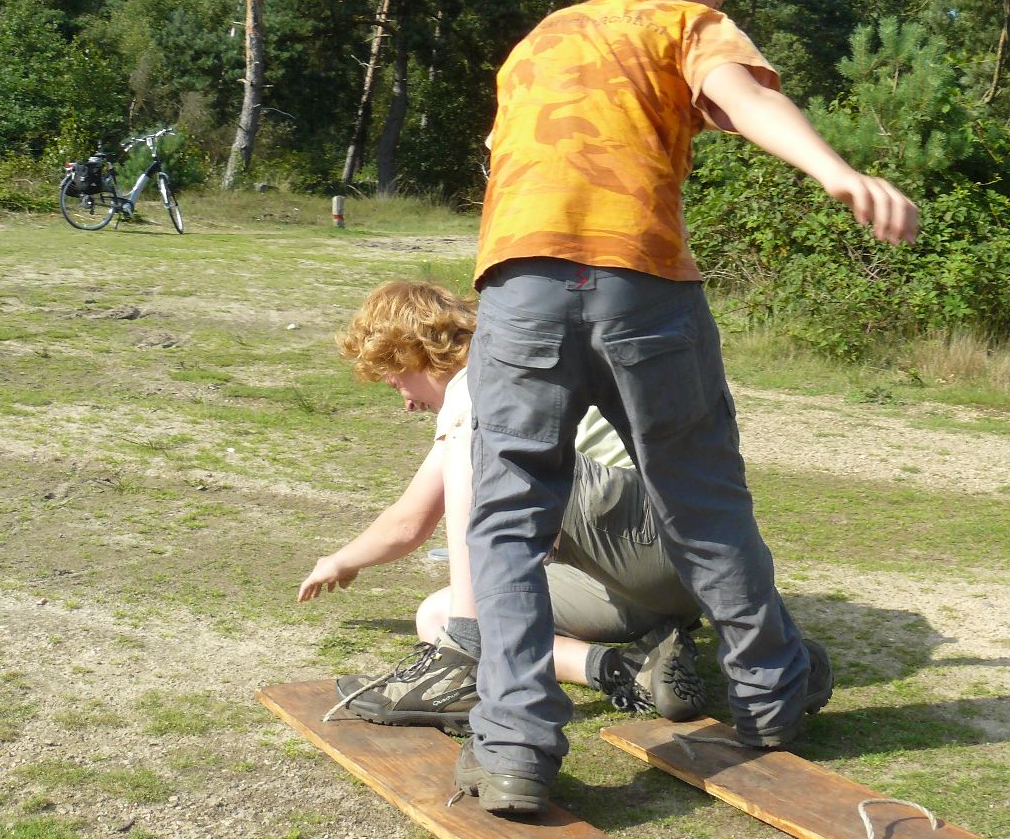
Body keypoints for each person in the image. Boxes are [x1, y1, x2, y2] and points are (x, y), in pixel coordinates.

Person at [458, 0, 920, 814]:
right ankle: (771, 695)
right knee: (700, 496)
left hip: (518, 288)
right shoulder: (684, 22)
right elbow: (743, 99)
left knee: (507, 517)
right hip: (642, 285)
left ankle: (513, 746)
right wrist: (835, 171)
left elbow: (506, 156)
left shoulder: (540, 40)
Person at [296, 279, 707, 731]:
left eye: (395, 381)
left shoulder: (486, 380)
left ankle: (461, 658)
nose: (406, 403)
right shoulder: (476, 401)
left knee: (476, 452)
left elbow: (413, 522)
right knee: (435, 616)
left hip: (660, 537)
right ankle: (623, 668)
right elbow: (408, 519)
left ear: (410, 353)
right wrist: (339, 561)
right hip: (648, 592)